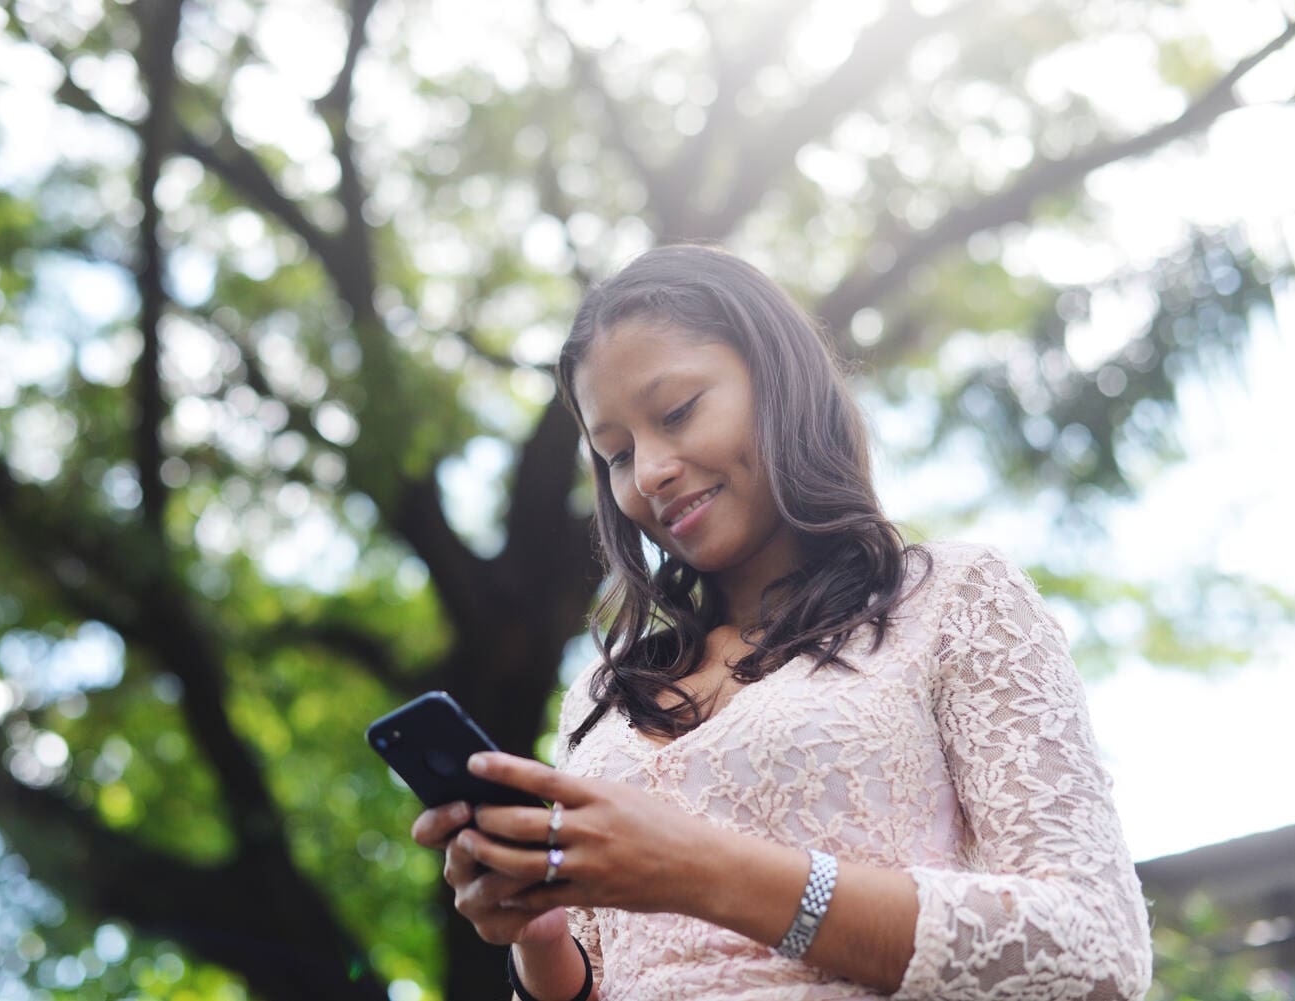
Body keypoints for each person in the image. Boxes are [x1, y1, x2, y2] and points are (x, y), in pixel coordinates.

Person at [411, 244, 1153, 1000]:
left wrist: (699, 870)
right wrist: (542, 950)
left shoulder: (952, 599)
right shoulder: (604, 695)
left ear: (778, 379)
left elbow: (1093, 945)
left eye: (676, 412)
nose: (651, 471)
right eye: (617, 453)